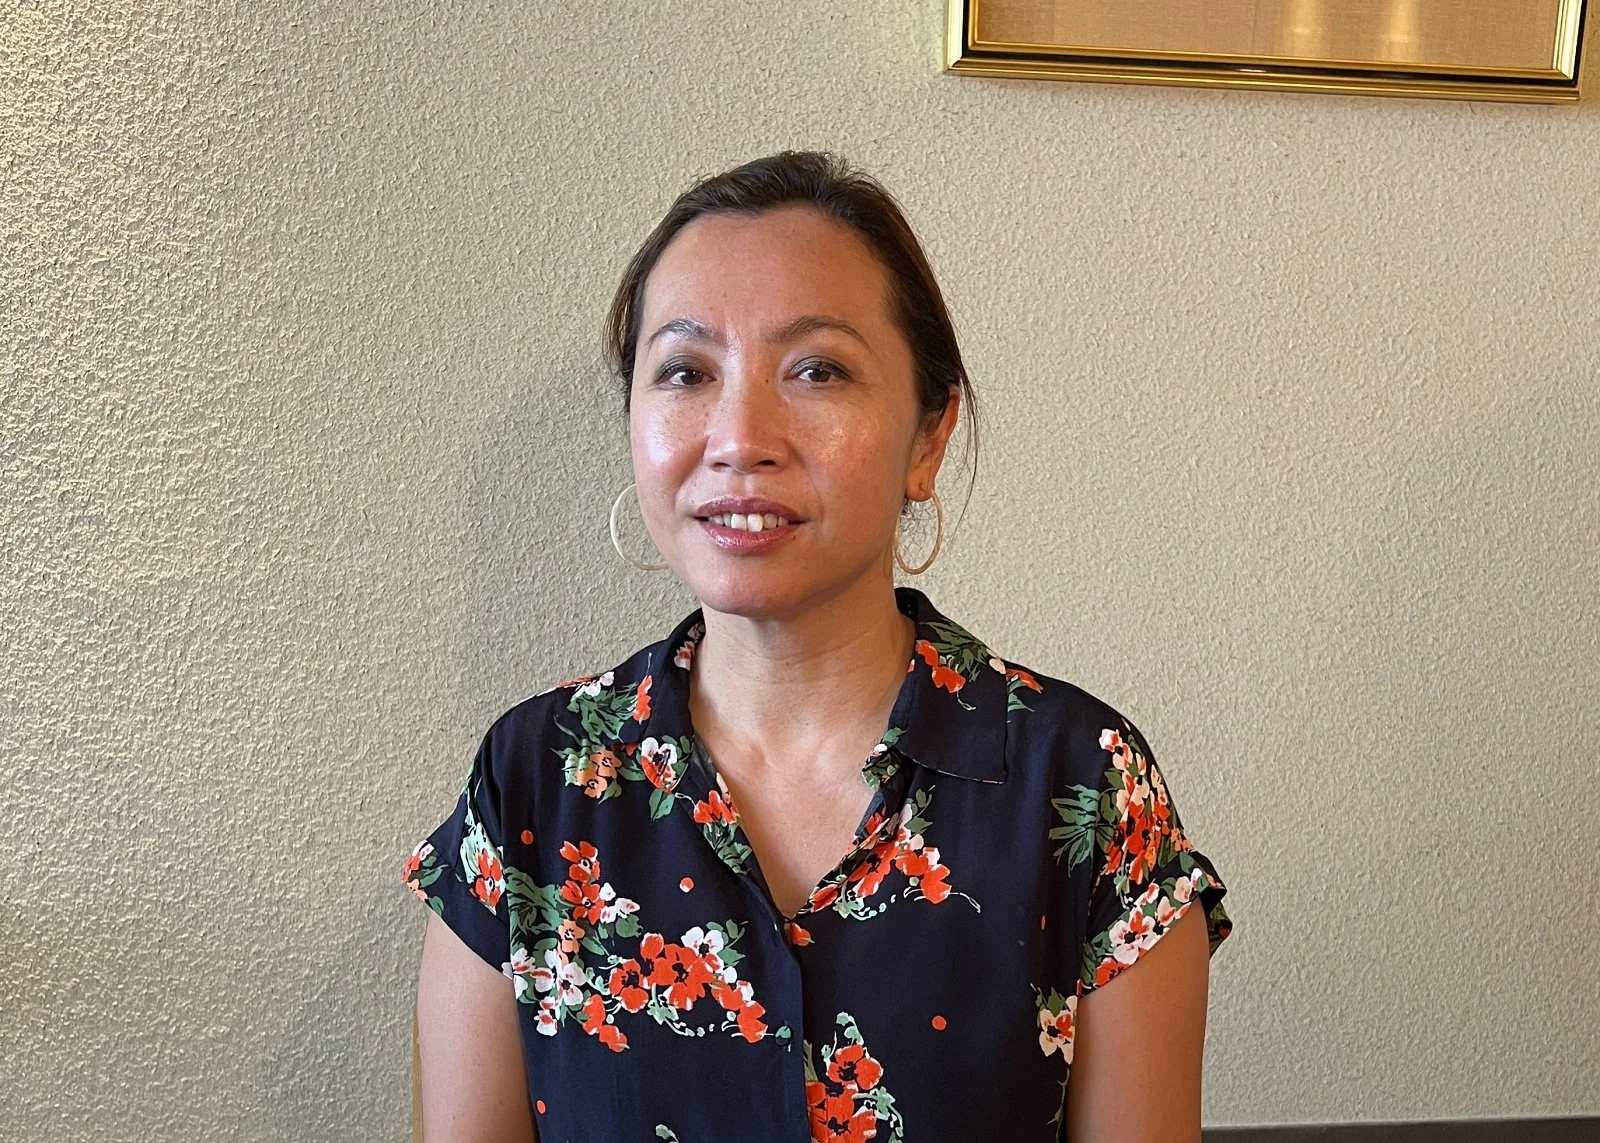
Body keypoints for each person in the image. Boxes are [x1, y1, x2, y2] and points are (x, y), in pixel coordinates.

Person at [403, 149, 1233, 1142]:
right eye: (686, 372)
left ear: (927, 437)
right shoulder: (533, 781)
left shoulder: (1086, 786)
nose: (739, 436)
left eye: (817, 370)